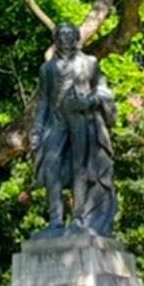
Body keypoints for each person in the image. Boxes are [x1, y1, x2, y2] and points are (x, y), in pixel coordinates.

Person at [29, 21, 117, 236]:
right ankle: (55, 220)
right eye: (61, 35)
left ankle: (78, 217)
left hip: (81, 118)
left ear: (76, 38)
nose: (66, 38)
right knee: (51, 166)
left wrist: (88, 102)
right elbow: (44, 102)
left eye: (70, 35)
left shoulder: (89, 63)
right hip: (56, 120)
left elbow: (103, 91)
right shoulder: (47, 69)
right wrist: (37, 129)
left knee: (81, 167)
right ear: (56, 39)